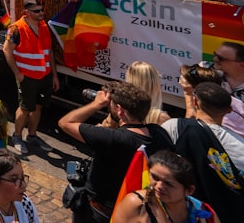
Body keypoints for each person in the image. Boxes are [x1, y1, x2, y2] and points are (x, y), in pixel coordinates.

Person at [58, 82, 174, 222]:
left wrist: (96, 104)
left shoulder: (113, 138)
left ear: (120, 110)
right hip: (138, 210)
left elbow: (65, 123)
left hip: (100, 211)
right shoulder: (159, 133)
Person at [162, 82, 244, 218]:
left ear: (195, 102)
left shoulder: (175, 127)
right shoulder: (239, 144)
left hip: (180, 212)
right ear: (229, 110)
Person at [2, 0, 58, 153]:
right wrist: (18, 74)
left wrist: (54, 75)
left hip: (44, 76)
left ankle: (32, 136)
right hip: (27, 76)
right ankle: (17, 136)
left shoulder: (44, 26)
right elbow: (7, 50)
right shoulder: (16, 28)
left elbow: (49, 51)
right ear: (26, 12)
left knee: (38, 107)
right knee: (25, 108)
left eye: (42, 10)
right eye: (37, 11)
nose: (41, 13)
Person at [110, 150, 221, 223]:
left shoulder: (206, 214)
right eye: (155, 177)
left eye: (168, 184)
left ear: (189, 190)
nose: (158, 186)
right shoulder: (136, 203)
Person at [213, 40, 244, 135]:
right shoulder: (208, 73)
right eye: (215, 54)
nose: (215, 59)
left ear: (241, 64)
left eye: (221, 58)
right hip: (210, 131)